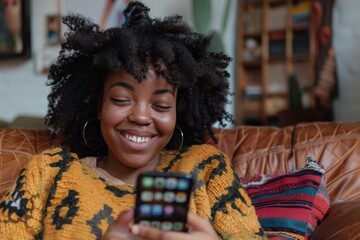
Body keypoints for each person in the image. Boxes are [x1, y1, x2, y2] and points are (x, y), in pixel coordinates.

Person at [0, 2, 266, 239]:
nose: (140, 116)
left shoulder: (207, 168)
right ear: (98, 106)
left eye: (161, 105)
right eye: (121, 100)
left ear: (178, 112)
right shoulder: (50, 171)